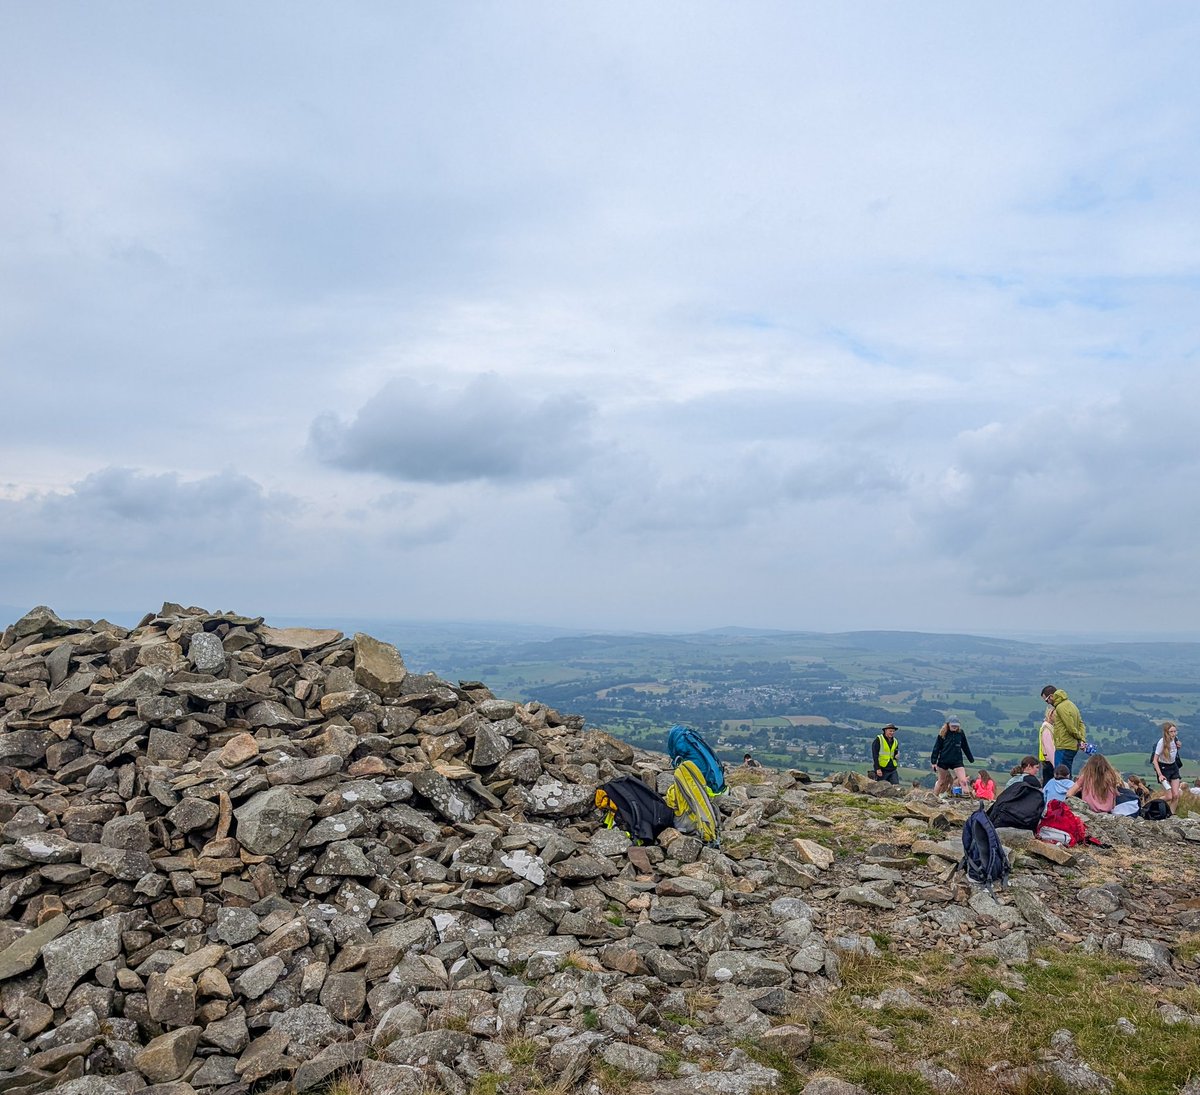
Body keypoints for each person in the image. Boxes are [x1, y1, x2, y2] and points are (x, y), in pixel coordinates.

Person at [1041, 685, 1087, 777]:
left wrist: (1080, 738)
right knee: (1067, 773)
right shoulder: (1071, 705)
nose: (1048, 703)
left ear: (1051, 696)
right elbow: (1081, 724)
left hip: (1064, 745)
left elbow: (1070, 727)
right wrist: (1082, 739)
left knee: (1060, 775)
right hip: (1072, 746)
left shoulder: (1060, 707)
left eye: (1047, 700)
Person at [930, 717, 974, 795]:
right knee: (941, 782)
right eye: (953, 725)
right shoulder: (942, 734)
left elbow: (965, 746)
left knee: (963, 781)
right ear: (948, 724)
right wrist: (933, 762)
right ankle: (933, 797)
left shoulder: (960, 733)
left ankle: (967, 798)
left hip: (957, 761)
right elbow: (936, 748)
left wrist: (970, 758)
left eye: (956, 725)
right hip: (944, 760)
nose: (955, 727)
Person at [1151, 722, 1183, 812]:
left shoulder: (1175, 739)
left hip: (1173, 766)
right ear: (1166, 732)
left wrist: (1178, 747)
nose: (1173, 734)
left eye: (1175, 731)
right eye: (1171, 732)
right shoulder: (1161, 742)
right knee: (1169, 796)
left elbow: (1173, 752)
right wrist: (1160, 775)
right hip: (1163, 768)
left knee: (1176, 795)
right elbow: (1154, 760)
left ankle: (1172, 814)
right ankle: (1152, 803)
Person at [1038, 708, 1057, 787]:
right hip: (1049, 762)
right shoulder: (1047, 728)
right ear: (1051, 715)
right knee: (1049, 784)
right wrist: (1055, 765)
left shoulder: (1048, 727)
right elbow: (1050, 748)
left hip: (1047, 761)